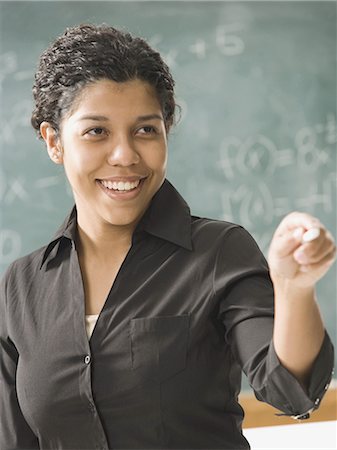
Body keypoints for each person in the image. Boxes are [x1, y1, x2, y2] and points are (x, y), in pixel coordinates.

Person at [0, 23, 335, 450]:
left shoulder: (219, 251)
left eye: (145, 130)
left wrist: (294, 289)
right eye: (96, 131)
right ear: (54, 141)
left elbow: (293, 392)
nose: (124, 155)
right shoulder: (21, 287)